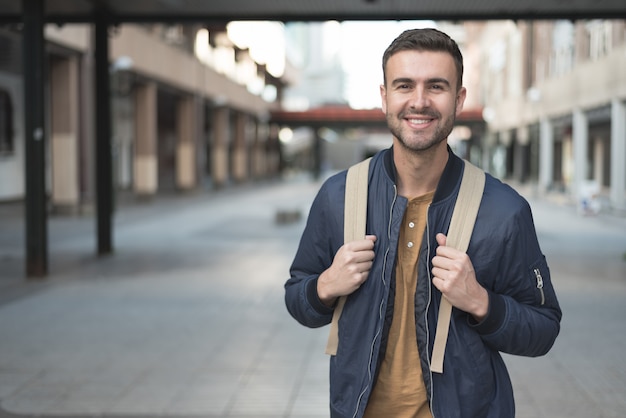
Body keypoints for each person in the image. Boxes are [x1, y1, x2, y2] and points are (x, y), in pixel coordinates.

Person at [284, 28, 561, 418]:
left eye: (436, 86)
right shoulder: (339, 196)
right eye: (404, 85)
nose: (419, 101)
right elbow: (298, 298)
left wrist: (483, 303)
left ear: (459, 98)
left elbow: (544, 327)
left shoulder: (504, 210)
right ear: (384, 97)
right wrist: (326, 285)